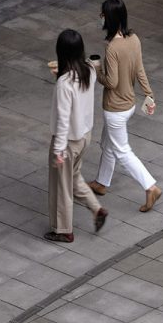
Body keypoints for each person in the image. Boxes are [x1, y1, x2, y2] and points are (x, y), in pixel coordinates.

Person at [89, 0, 162, 216]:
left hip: (115, 108)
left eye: (103, 14)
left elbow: (110, 82)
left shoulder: (112, 48)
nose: (100, 17)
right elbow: (140, 70)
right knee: (108, 143)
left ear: (108, 19)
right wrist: (149, 94)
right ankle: (102, 182)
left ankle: (150, 187)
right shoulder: (134, 39)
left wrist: (96, 68)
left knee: (122, 151)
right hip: (129, 103)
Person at [47, 27, 107, 243]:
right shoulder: (88, 71)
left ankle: (63, 229)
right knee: (74, 178)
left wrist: (58, 150)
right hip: (84, 136)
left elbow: (63, 119)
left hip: (68, 141)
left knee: (61, 187)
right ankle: (96, 209)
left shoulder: (65, 83)